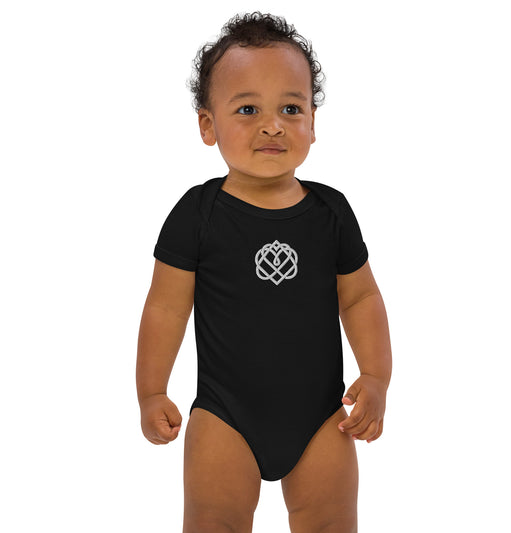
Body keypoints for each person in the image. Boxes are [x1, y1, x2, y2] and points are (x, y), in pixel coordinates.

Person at [136, 11, 392, 533]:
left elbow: (360, 298)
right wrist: (151, 391)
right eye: (248, 109)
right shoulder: (197, 215)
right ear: (208, 126)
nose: (272, 125)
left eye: (291, 109)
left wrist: (376, 376)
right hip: (224, 418)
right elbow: (165, 307)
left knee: (331, 523)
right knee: (214, 522)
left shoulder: (332, 213)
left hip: (322, 418)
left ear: (313, 124)